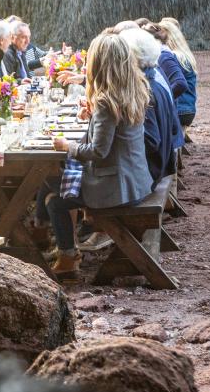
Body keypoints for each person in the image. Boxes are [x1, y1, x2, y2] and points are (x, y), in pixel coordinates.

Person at [46, 33, 154, 277]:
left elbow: (97, 151)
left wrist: (67, 146)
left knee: (54, 198)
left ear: (98, 63)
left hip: (115, 187)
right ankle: (63, 249)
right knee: (56, 183)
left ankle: (67, 258)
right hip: (136, 181)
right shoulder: (133, 89)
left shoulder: (106, 101)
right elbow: (114, 136)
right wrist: (92, 118)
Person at [120, 28, 179, 187]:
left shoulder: (143, 91)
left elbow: (151, 141)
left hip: (149, 173)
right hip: (160, 166)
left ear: (132, 57)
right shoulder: (153, 79)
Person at [159, 21, 198, 128]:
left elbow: (179, 84)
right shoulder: (185, 55)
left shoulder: (171, 57)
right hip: (189, 109)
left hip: (179, 110)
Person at [142, 22, 188, 100]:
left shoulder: (163, 56)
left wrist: (163, 100)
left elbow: (180, 83)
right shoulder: (159, 55)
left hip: (181, 109)